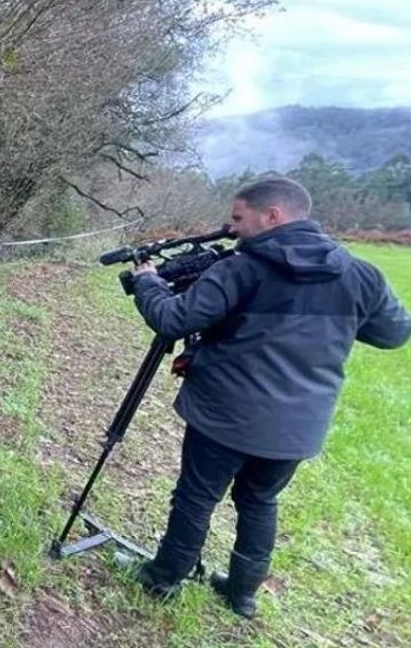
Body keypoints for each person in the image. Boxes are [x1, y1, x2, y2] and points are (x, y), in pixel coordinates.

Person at [127, 176, 411, 618]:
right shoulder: (361, 274)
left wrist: (148, 282)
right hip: (297, 427)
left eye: (239, 218)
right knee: (259, 502)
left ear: (272, 215)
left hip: (225, 416)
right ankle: (242, 595)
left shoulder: (240, 269)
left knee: (197, 497)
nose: (233, 228)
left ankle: (163, 579)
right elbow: (394, 333)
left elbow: (172, 319)